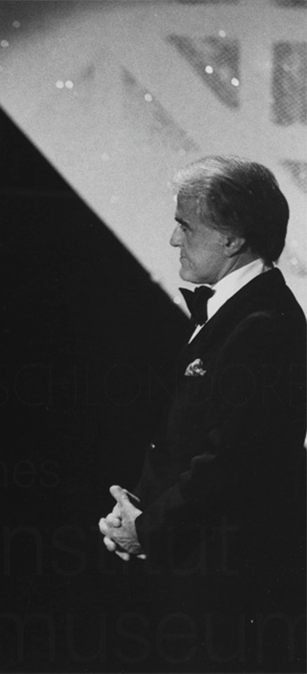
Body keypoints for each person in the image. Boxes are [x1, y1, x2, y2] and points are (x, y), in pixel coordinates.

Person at [98, 156, 306, 661]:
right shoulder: (240, 312)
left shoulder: (264, 324)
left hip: (225, 590)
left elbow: (229, 463)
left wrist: (144, 529)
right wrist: (134, 518)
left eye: (185, 226)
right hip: (192, 573)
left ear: (232, 238)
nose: (174, 240)